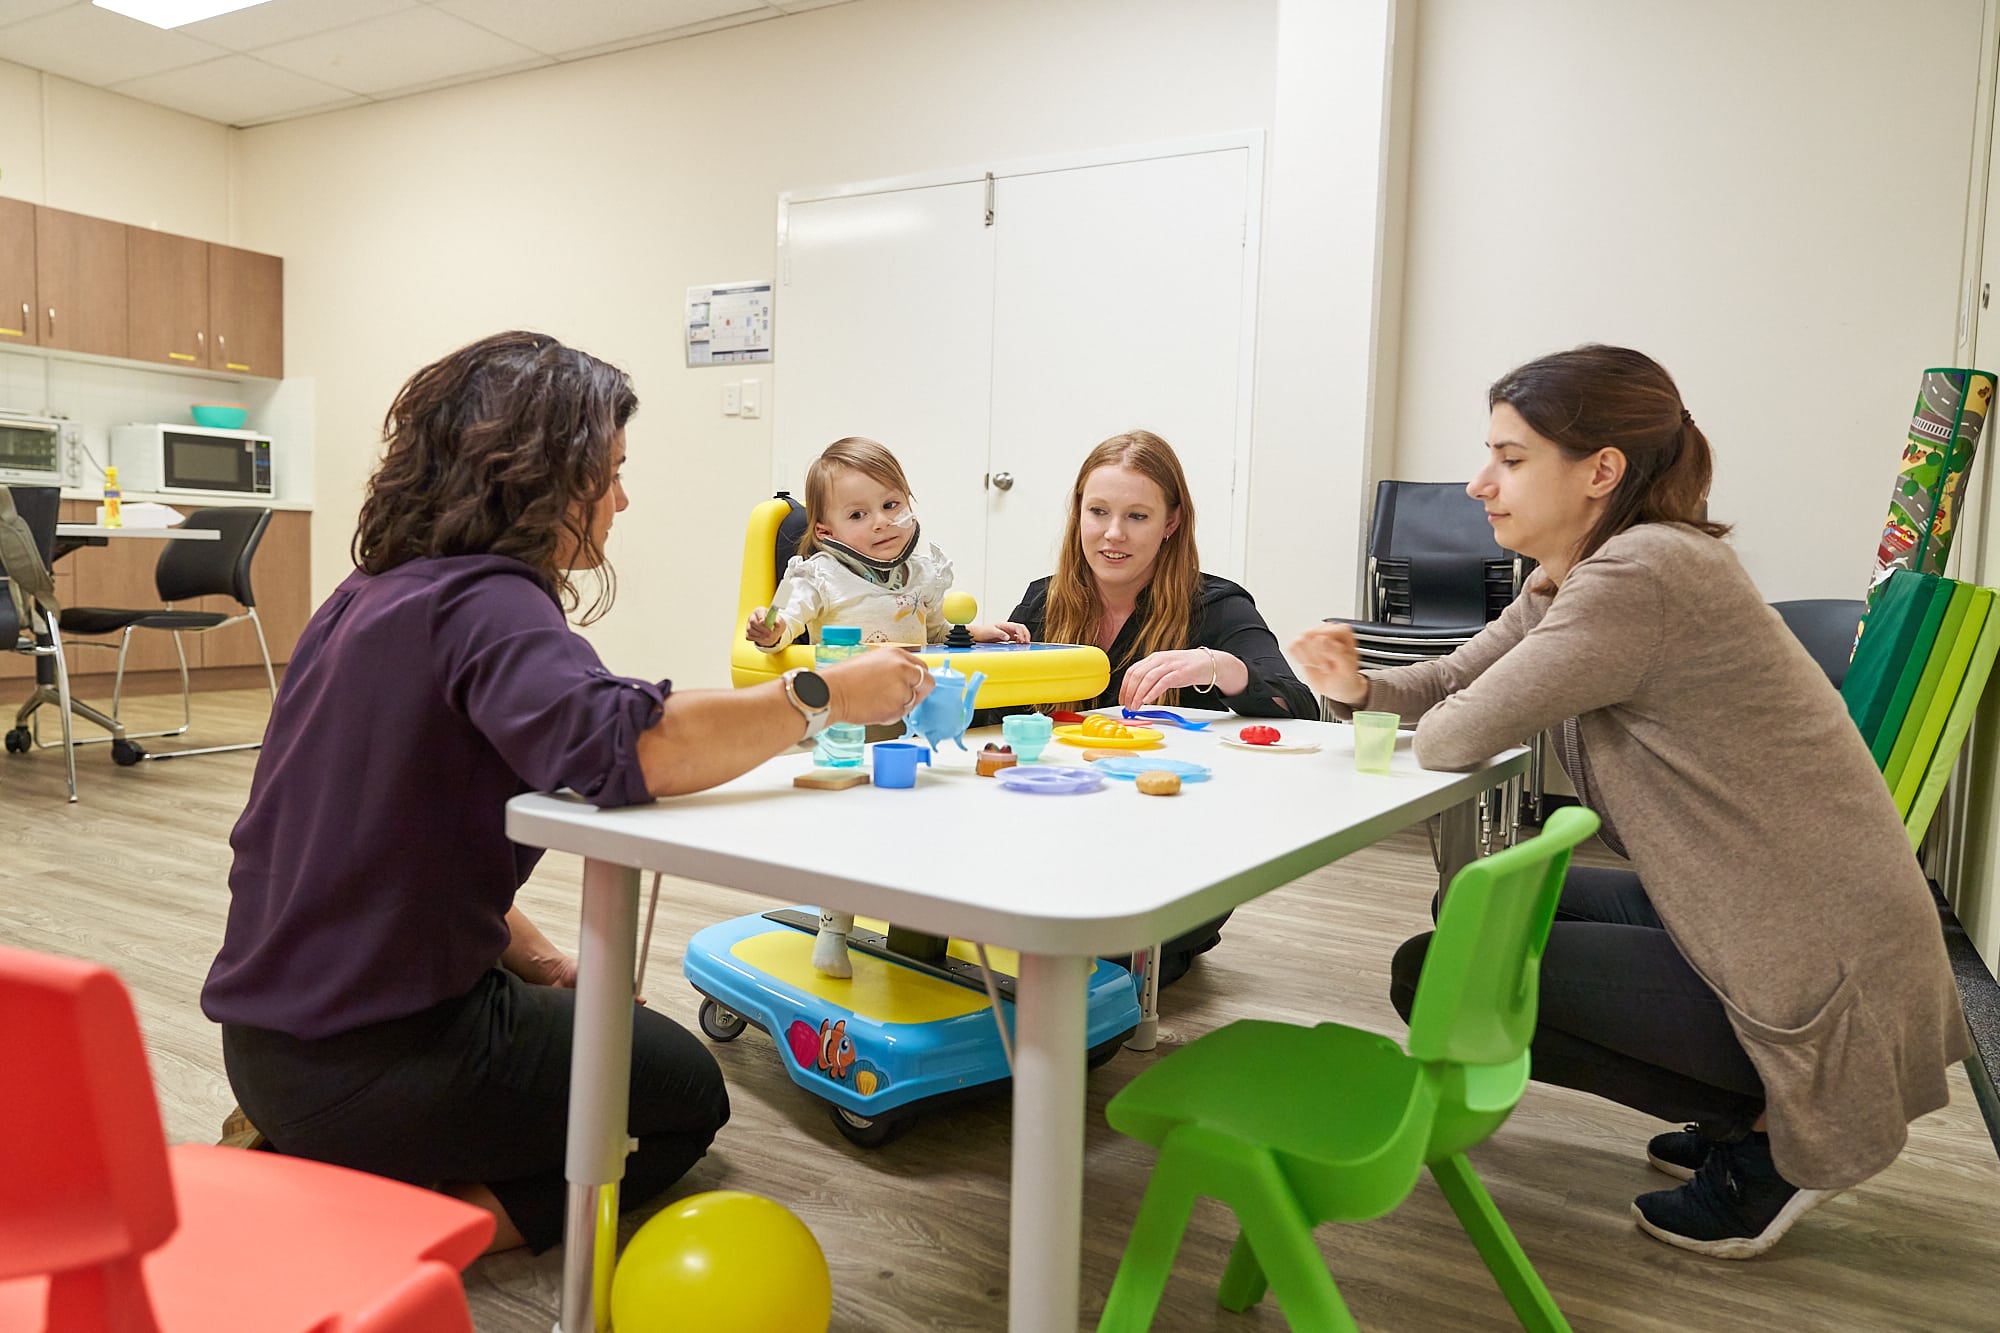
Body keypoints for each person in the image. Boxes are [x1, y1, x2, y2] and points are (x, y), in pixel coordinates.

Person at [201, 331, 932, 1255]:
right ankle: (398, 1231)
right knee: (685, 1101)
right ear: (538, 476)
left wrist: (543, 960)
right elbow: (638, 745)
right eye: (611, 472)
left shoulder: (368, 593)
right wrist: (824, 693)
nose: (623, 498)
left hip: (271, 1045)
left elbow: (395, 847)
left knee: (613, 1037)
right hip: (380, 1057)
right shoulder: (489, 602)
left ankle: (323, 1145)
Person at [1290, 344, 1970, 1259]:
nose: (1478, 481)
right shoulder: (1586, 568)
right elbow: (1452, 677)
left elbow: (1456, 731)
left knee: (1438, 967)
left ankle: (1775, 1137)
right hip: (1775, 912)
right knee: (1481, 904)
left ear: (1601, 470)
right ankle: (1741, 1105)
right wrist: (1361, 684)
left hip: (1814, 956)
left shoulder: (1637, 576)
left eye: (1511, 457)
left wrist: (1411, 703)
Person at [1001, 429, 1316, 983]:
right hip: (1057, 844)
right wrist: (970, 657)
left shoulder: (1216, 606)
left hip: (1173, 863)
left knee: (1089, 965)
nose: (1112, 535)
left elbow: (1297, 707)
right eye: (1097, 511)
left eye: (1138, 517)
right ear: (1078, 513)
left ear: (1172, 522)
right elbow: (992, 716)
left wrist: (1220, 667)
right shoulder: (1043, 601)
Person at [746, 434, 1026, 977]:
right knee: (854, 826)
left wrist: (976, 632)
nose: (881, 523)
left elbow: (938, 629)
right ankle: (834, 930)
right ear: (827, 531)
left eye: (891, 505)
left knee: (927, 816)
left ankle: (922, 927)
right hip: (853, 721)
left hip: (915, 714)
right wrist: (770, 629)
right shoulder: (820, 574)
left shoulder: (919, 569)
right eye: (859, 513)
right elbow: (787, 625)